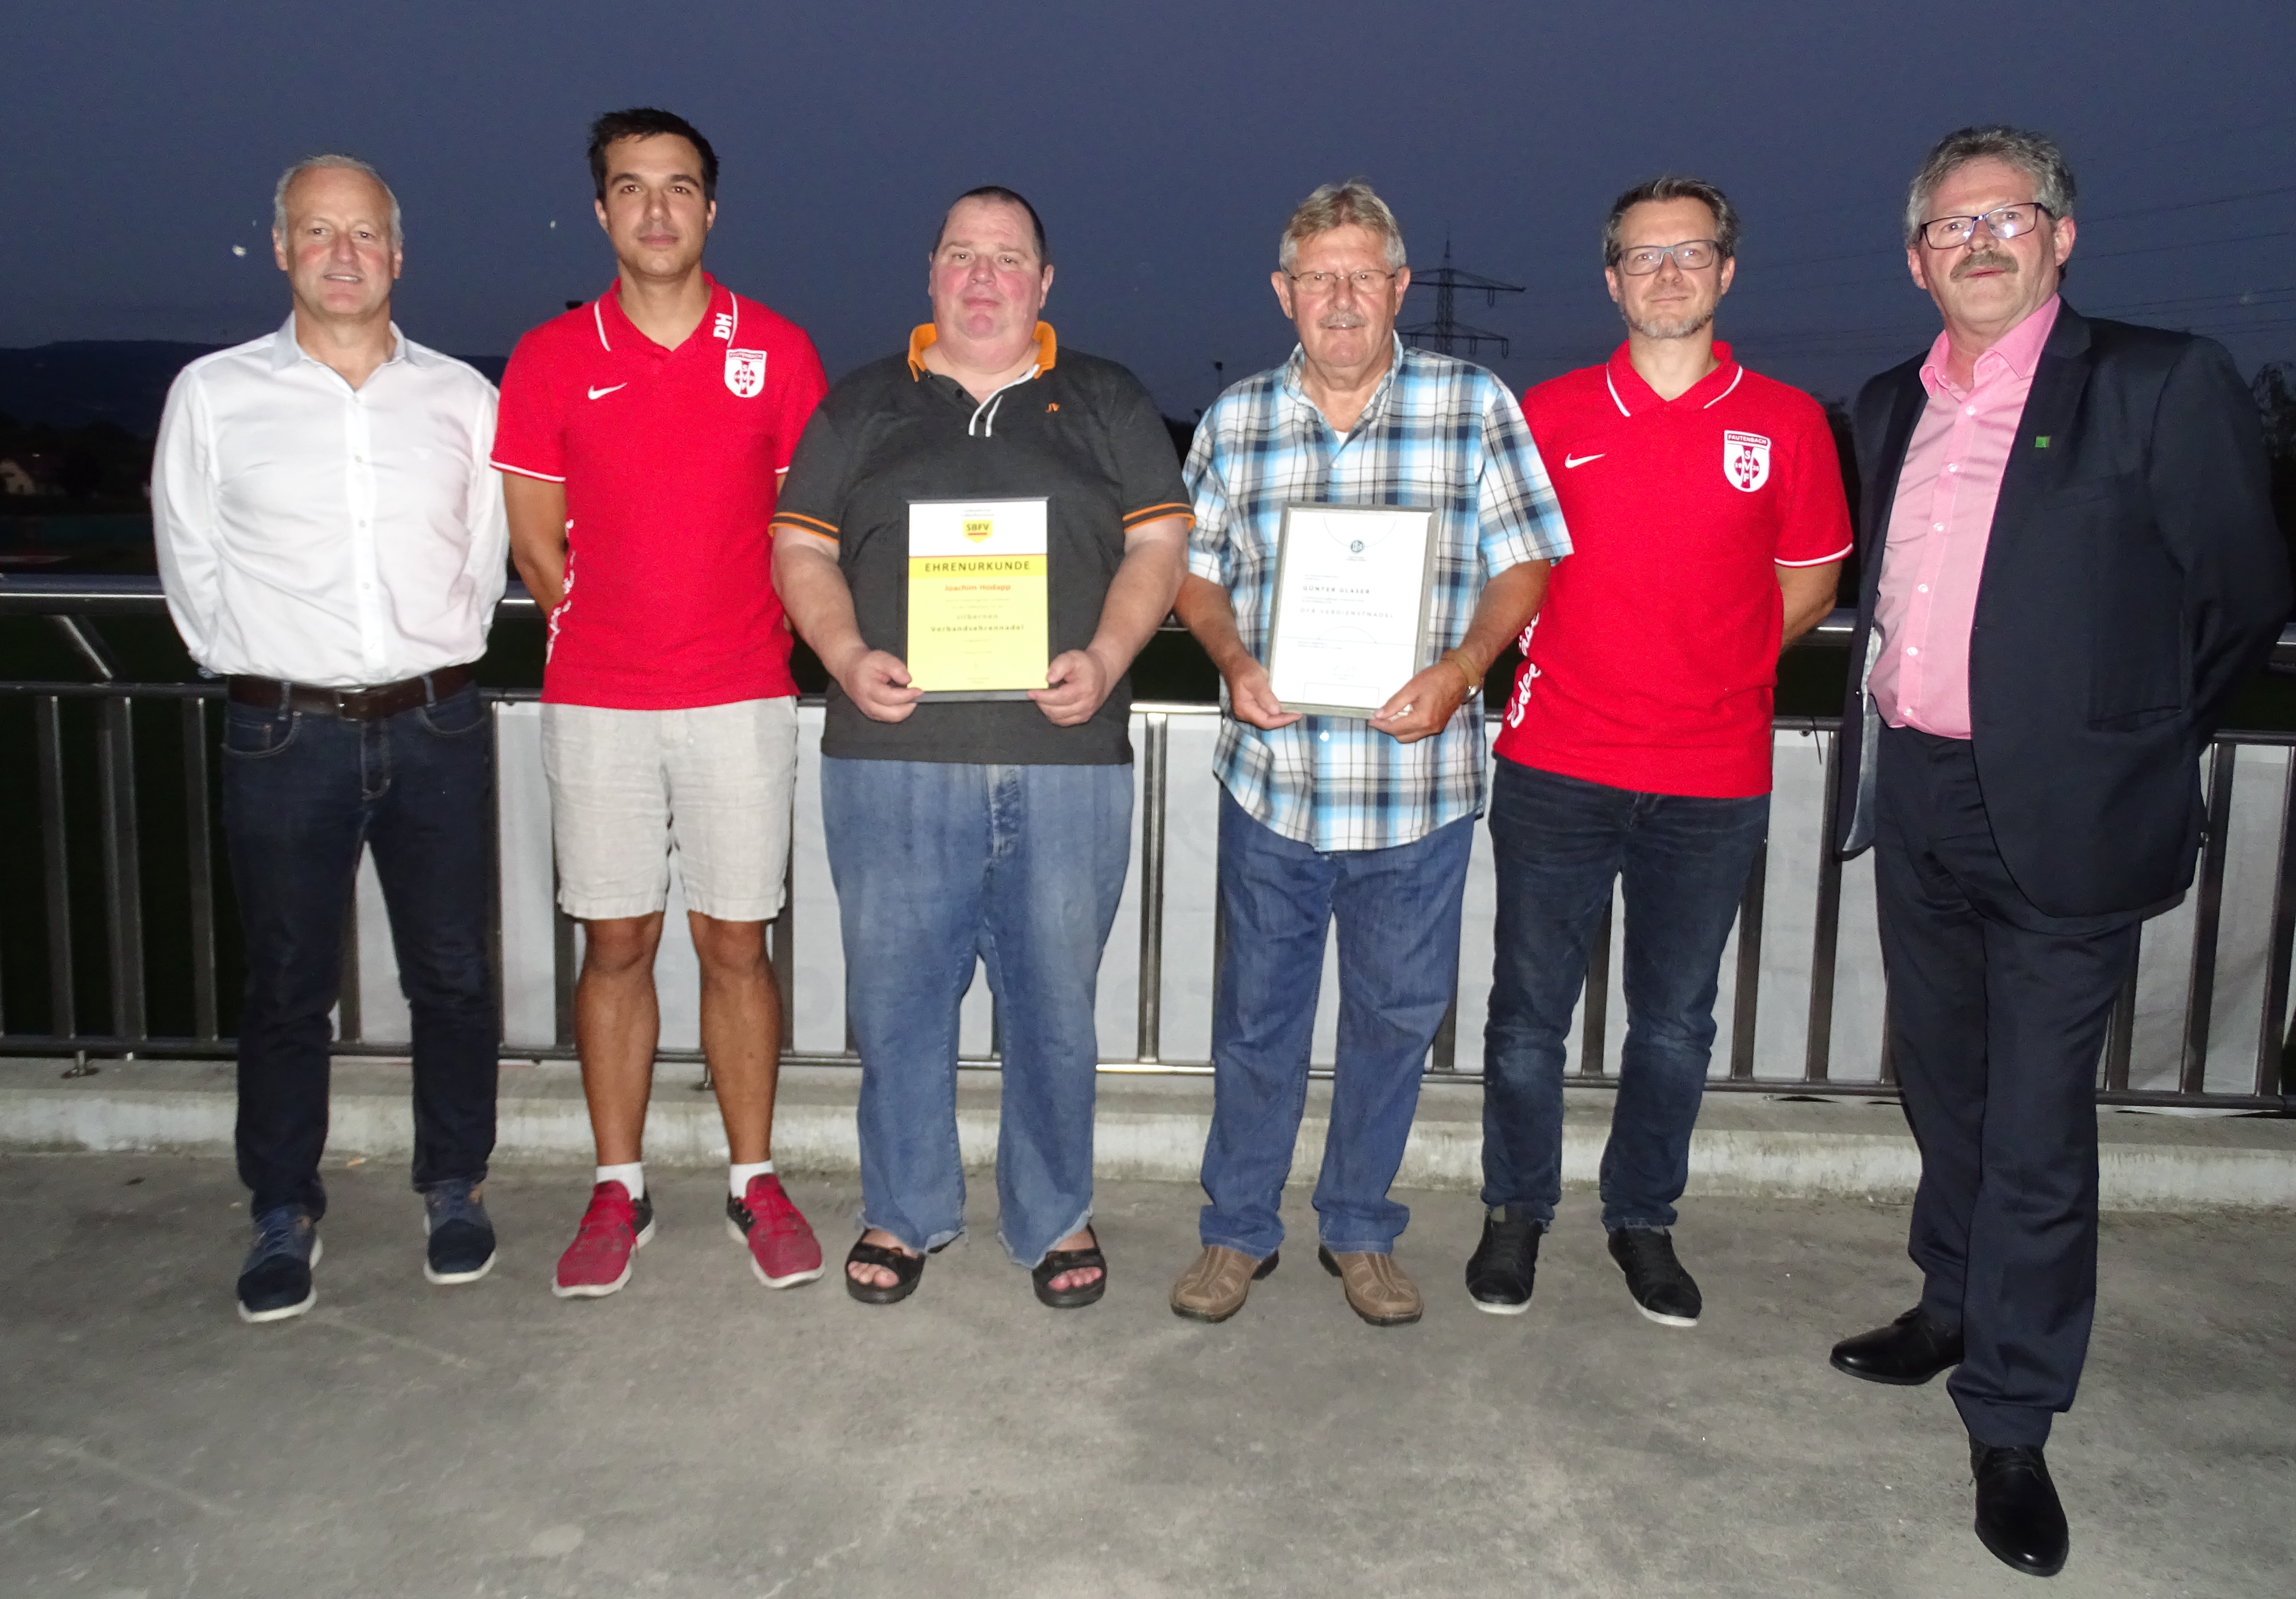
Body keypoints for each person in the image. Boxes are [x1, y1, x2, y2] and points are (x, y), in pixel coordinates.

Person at [1827, 126, 2288, 1578]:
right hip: (1920, 796)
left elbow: (2240, 594)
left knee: (2035, 1122)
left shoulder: (2157, 381)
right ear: (1917, 260)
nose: (1978, 245)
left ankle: (2014, 1416)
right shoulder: (1888, 403)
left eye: (2006, 218)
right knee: (1946, 1083)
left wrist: (2122, 737)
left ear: (2061, 237)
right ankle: (1953, 1303)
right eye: (1950, 228)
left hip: (2069, 818)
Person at [772, 187, 1189, 1308]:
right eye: (962, 254)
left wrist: (1106, 656)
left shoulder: (1107, 398)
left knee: (1055, 1007)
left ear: (1044, 282)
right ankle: (904, 1209)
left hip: (1067, 760)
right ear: (931, 273)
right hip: (891, 758)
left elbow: (1160, 546)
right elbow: (800, 551)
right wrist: (845, 655)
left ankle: (1054, 1214)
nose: (984, 276)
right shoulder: (862, 403)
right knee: (899, 1003)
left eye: (1007, 257)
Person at [1170, 180, 1570, 1328]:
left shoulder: (1472, 403)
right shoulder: (1237, 419)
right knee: (1257, 1027)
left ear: (1400, 288)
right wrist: (1231, 657)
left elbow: (1527, 561)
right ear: (1283, 292)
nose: (1340, 298)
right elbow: (1193, 573)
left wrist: (1465, 669)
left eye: (1362, 276)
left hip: (1415, 793)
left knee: (1394, 1023)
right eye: (1318, 277)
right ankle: (1237, 1230)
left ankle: (1358, 1227)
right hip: (1277, 787)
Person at [1473, 177, 1851, 1326]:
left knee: (1677, 1023)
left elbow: (1812, 579)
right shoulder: (1550, 414)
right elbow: (1503, 568)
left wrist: (1716, 663)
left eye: (1691, 252)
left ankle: (1642, 1218)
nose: (1669, 273)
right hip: (1558, 762)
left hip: (1711, 775)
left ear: (1726, 270)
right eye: (1644, 256)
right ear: (1612, 280)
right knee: (1527, 1015)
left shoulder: (1788, 422)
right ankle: (1516, 1210)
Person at [153, 154, 507, 1323]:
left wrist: (426, 655)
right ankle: (280, 1208)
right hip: (283, 734)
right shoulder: (214, 395)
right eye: (318, 232)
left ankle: (453, 1186)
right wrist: (266, 666)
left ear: (398, 255)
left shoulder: (462, 399)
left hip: (436, 723)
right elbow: (190, 562)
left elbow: (482, 560)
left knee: (452, 976)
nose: (342, 255)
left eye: (363, 234)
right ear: (281, 249)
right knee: (286, 986)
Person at [495, 109, 830, 1298]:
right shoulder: (549, 356)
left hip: (741, 696)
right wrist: (616, 633)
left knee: (737, 943)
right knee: (618, 941)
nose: (655, 210)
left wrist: (739, 636)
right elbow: (535, 546)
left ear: (711, 209)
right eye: (631, 188)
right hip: (599, 702)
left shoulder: (777, 350)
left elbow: (805, 532)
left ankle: (754, 1180)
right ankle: (618, 1187)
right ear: (601, 211)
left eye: (679, 187)